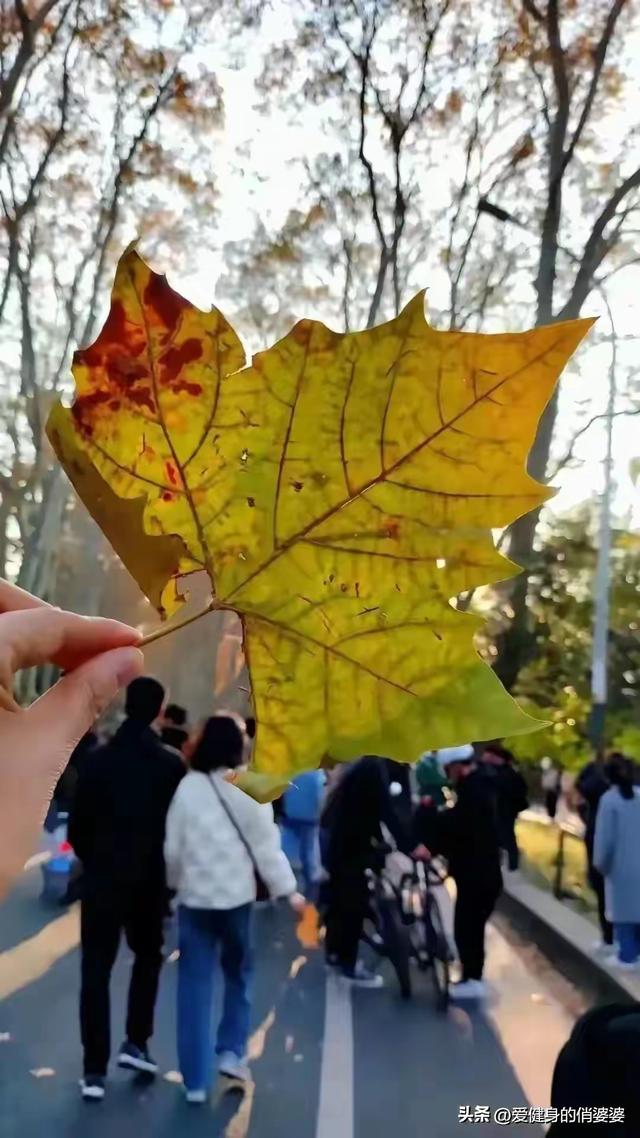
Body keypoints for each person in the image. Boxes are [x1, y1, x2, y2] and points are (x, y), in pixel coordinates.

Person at [164, 715, 303, 1103]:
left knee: (194, 985)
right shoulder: (249, 786)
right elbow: (267, 849)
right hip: (236, 902)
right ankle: (232, 1053)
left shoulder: (188, 787)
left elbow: (173, 849)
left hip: (194, 901)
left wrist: (176, 884)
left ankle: (194, 1082)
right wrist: (288, 892)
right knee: (238, 975)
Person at [68, 675, 185, 1101]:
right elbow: (177, 830)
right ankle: (136, 1041)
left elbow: (78, 828)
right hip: (150, 880)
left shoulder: (97, 760)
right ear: (159, 711)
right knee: (148, 958)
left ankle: (93, 1069)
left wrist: (96, 858)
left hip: (103, 878)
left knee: (95, 970)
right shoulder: (171, 765)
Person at [0, 579, 143, 902]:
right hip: (74, 819)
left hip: (64, 814)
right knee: (61, 851)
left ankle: (57, 885)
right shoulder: (99, 748)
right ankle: (58, 886)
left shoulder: (97, 750)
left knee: (59, 850)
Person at [322, 755, 410, 987]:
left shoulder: (363, 766)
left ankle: (334, 954)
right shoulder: (374, 768)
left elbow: (368, 809)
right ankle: (347, 965)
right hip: (350, 848)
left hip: (338, 842)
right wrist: (409, 846)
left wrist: (379, 839)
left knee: (339, 902)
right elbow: (386, 811)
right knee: (353, 905)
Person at [432, 745, 502, 1001]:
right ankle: (471, 975)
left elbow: (461, 828)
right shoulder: (480, 785)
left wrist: (435, 824)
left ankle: (473, 978)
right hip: (481, 873)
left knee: (468, 927)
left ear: (457, 766)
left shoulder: (474, 791)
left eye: (449, 770)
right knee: (469, 926)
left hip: (477, 874)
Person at [593, 754, 640, 969]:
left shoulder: (609, 800)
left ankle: (627, 956)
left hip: (620, 867)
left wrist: (600, 864)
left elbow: (605, 839)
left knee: (624, 914)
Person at [575, 752, 613, 953]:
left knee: (604, 894)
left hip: (602, 857)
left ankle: (609, 938)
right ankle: (612, 938)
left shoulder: (598, 808)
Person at [481, 743, 528, 871]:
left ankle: (512, 865)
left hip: (505, 810)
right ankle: (503, 863)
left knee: (506, 837)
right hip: (497, 810)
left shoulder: (506, 773)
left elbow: (517, 790)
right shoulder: (492, 771)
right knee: (499, 837)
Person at [280, 768, 325, 900]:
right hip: (311, 820)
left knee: (291, 856)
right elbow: (319, 796)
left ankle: (292, 891)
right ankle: (310, 897)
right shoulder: (317, 773)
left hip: (291, 819)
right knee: (310, 858)